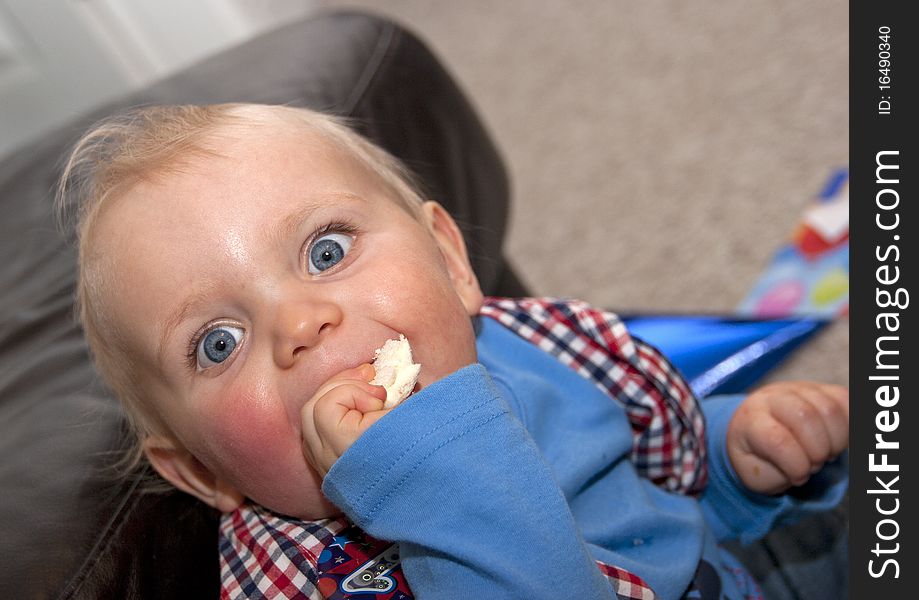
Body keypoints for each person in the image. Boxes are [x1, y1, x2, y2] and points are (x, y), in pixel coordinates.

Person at [57, 103, 848, 600]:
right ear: (205, 473)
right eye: (218, 343)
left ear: (451, 261)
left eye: (326, 252)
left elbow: (653, 464)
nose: (299, 324)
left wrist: (734, 450)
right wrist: (429, 475)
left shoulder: (533, 346)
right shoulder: (304, 580)